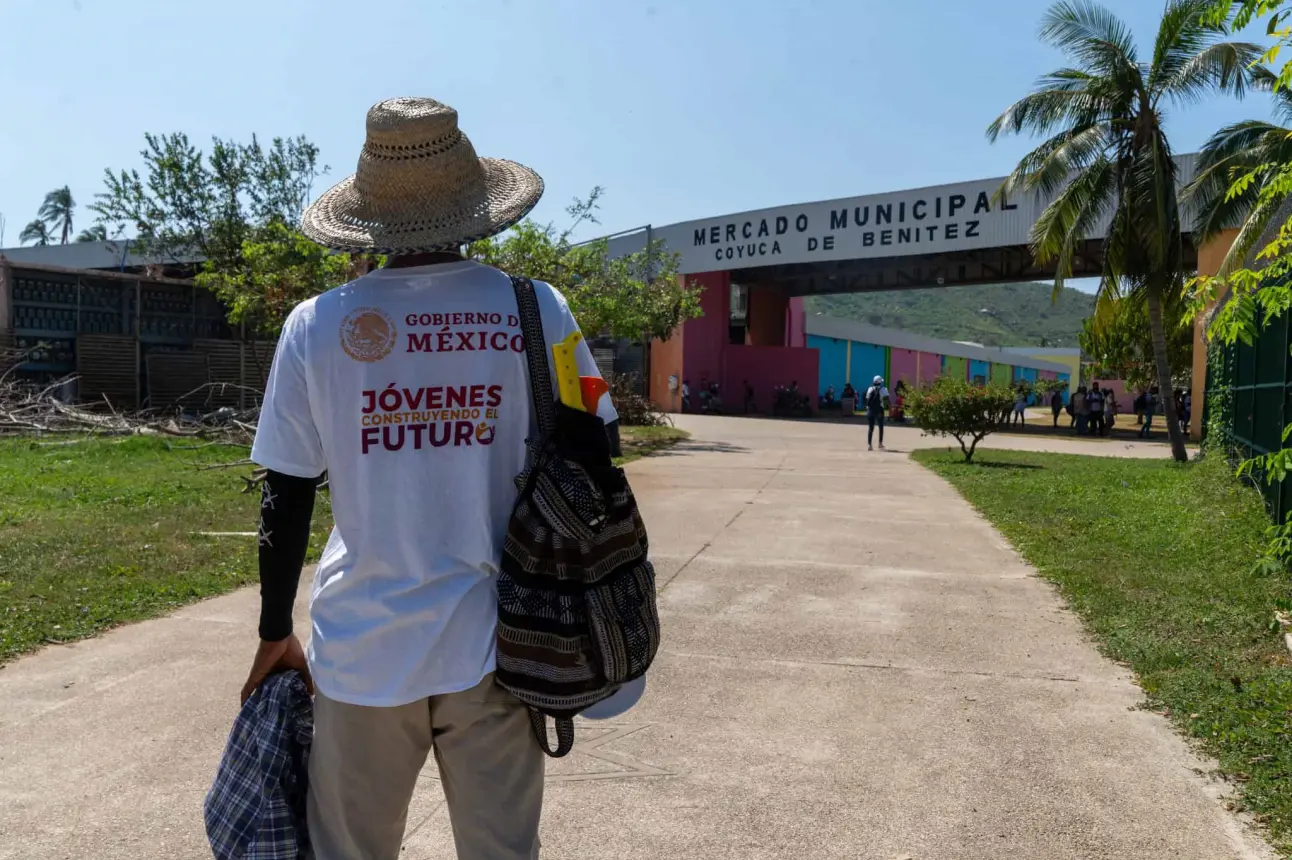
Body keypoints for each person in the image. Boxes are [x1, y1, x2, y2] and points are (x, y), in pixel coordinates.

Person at [243, 98, 619, 860]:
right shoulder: (536, 308)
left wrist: (274, 630)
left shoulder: (317, 325)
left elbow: (286, 489)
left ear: (370, 215)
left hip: (362, 653)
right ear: (473, 204)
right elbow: (600, 446)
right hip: (504, 642)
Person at [864, 374, 889, 451]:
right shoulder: (883, 389)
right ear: (880, 382)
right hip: (880, 410)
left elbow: (867, 399)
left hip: (871, 410)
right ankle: (880, 444)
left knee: (871, 428)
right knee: (880, 427)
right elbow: (886, 399)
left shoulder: (870, 389)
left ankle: (869, 445)